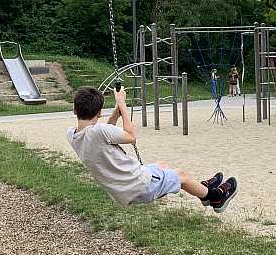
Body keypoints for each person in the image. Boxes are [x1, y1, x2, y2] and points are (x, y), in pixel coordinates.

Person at [67, 86, 238, 213]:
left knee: (161, 165)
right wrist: (122, 105)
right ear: (99, 113)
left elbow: (104, 133)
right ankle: (215, 198)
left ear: (75, 110)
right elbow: (131, 135)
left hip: (122, 188)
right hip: (139, 185)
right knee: (181, 176)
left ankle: (201, 189)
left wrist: (116, 113)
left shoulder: (73, 135)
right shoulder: (98, 131)